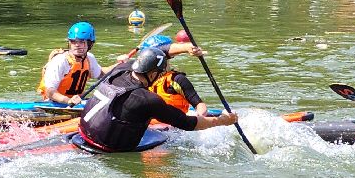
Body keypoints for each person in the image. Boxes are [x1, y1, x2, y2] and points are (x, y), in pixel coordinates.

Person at [78, 47, 237, 151]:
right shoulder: (148, 100)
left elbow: (160, 51)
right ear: (153, 74)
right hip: (109, 150)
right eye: (159, 74)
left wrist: (187, 48)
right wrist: (222, 121)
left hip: (83, 135)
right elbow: (188, 124)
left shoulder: (120, 69)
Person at [137, 34, 207, 115]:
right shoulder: (140, 77)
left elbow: (199, 105)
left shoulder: (177, 79)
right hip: (149, 125)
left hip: (173, 125)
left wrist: (200, 117)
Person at [38, 22, 103, 106]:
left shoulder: (89, 58)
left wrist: (121, 64)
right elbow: (49, 91)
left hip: (76, 103)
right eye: (73, 41)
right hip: (54, 103)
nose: (77, 45)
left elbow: (101, 73)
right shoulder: (60, 61)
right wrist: (68, 101)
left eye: (81, 42)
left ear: (90, 44)